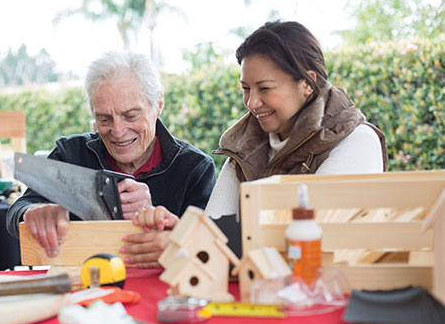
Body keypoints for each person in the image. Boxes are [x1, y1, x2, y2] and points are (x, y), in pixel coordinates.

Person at [130, 20, 388, 257]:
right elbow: (214, 226)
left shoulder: (356, 142)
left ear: (308, 82)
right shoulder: (243, 147)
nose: (252, 102)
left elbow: (306, 239)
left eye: (265, 88)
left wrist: (189, 240)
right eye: (246, 89)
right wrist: (183, 234)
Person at [6, 51, 216, 267]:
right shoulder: (71, 154)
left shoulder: (194, 168)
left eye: (131, 116)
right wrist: (32, 213)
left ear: (158, 105)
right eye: (104, 119)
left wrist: (170, 230)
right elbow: (17, 211)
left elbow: (211, 249)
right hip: (84, 287)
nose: (117, 131)